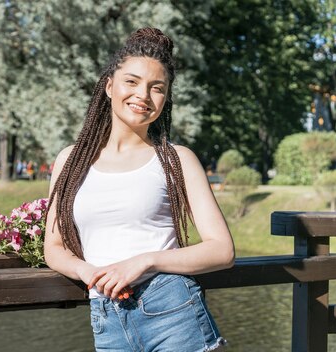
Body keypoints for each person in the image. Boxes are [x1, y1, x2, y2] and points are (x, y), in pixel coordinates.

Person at [44, 28, 234, 352]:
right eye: (131, 82)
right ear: (109, 86)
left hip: (173, 311)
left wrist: (145, 262)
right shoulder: (70, 161)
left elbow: (222, 250)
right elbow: (55, 247)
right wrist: (89, 272)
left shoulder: (177, 160)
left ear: (165, 98)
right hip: (106, 316)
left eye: (156, 88)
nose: (143, 95)